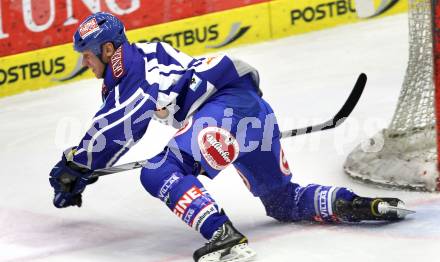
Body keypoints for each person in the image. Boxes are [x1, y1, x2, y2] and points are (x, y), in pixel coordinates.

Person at [49, 12, 409, 262]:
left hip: (222, 109)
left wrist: (75, 165)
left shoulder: (127, 65)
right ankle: (359, 205)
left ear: (108, 49)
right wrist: (82, 164)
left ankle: (224, 237)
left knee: (157, 170)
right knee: (282, 201)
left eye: (87, 55)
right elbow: (119, 117)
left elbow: (120, 125)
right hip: (248, 108)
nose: (85, 63)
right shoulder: (142, 56)